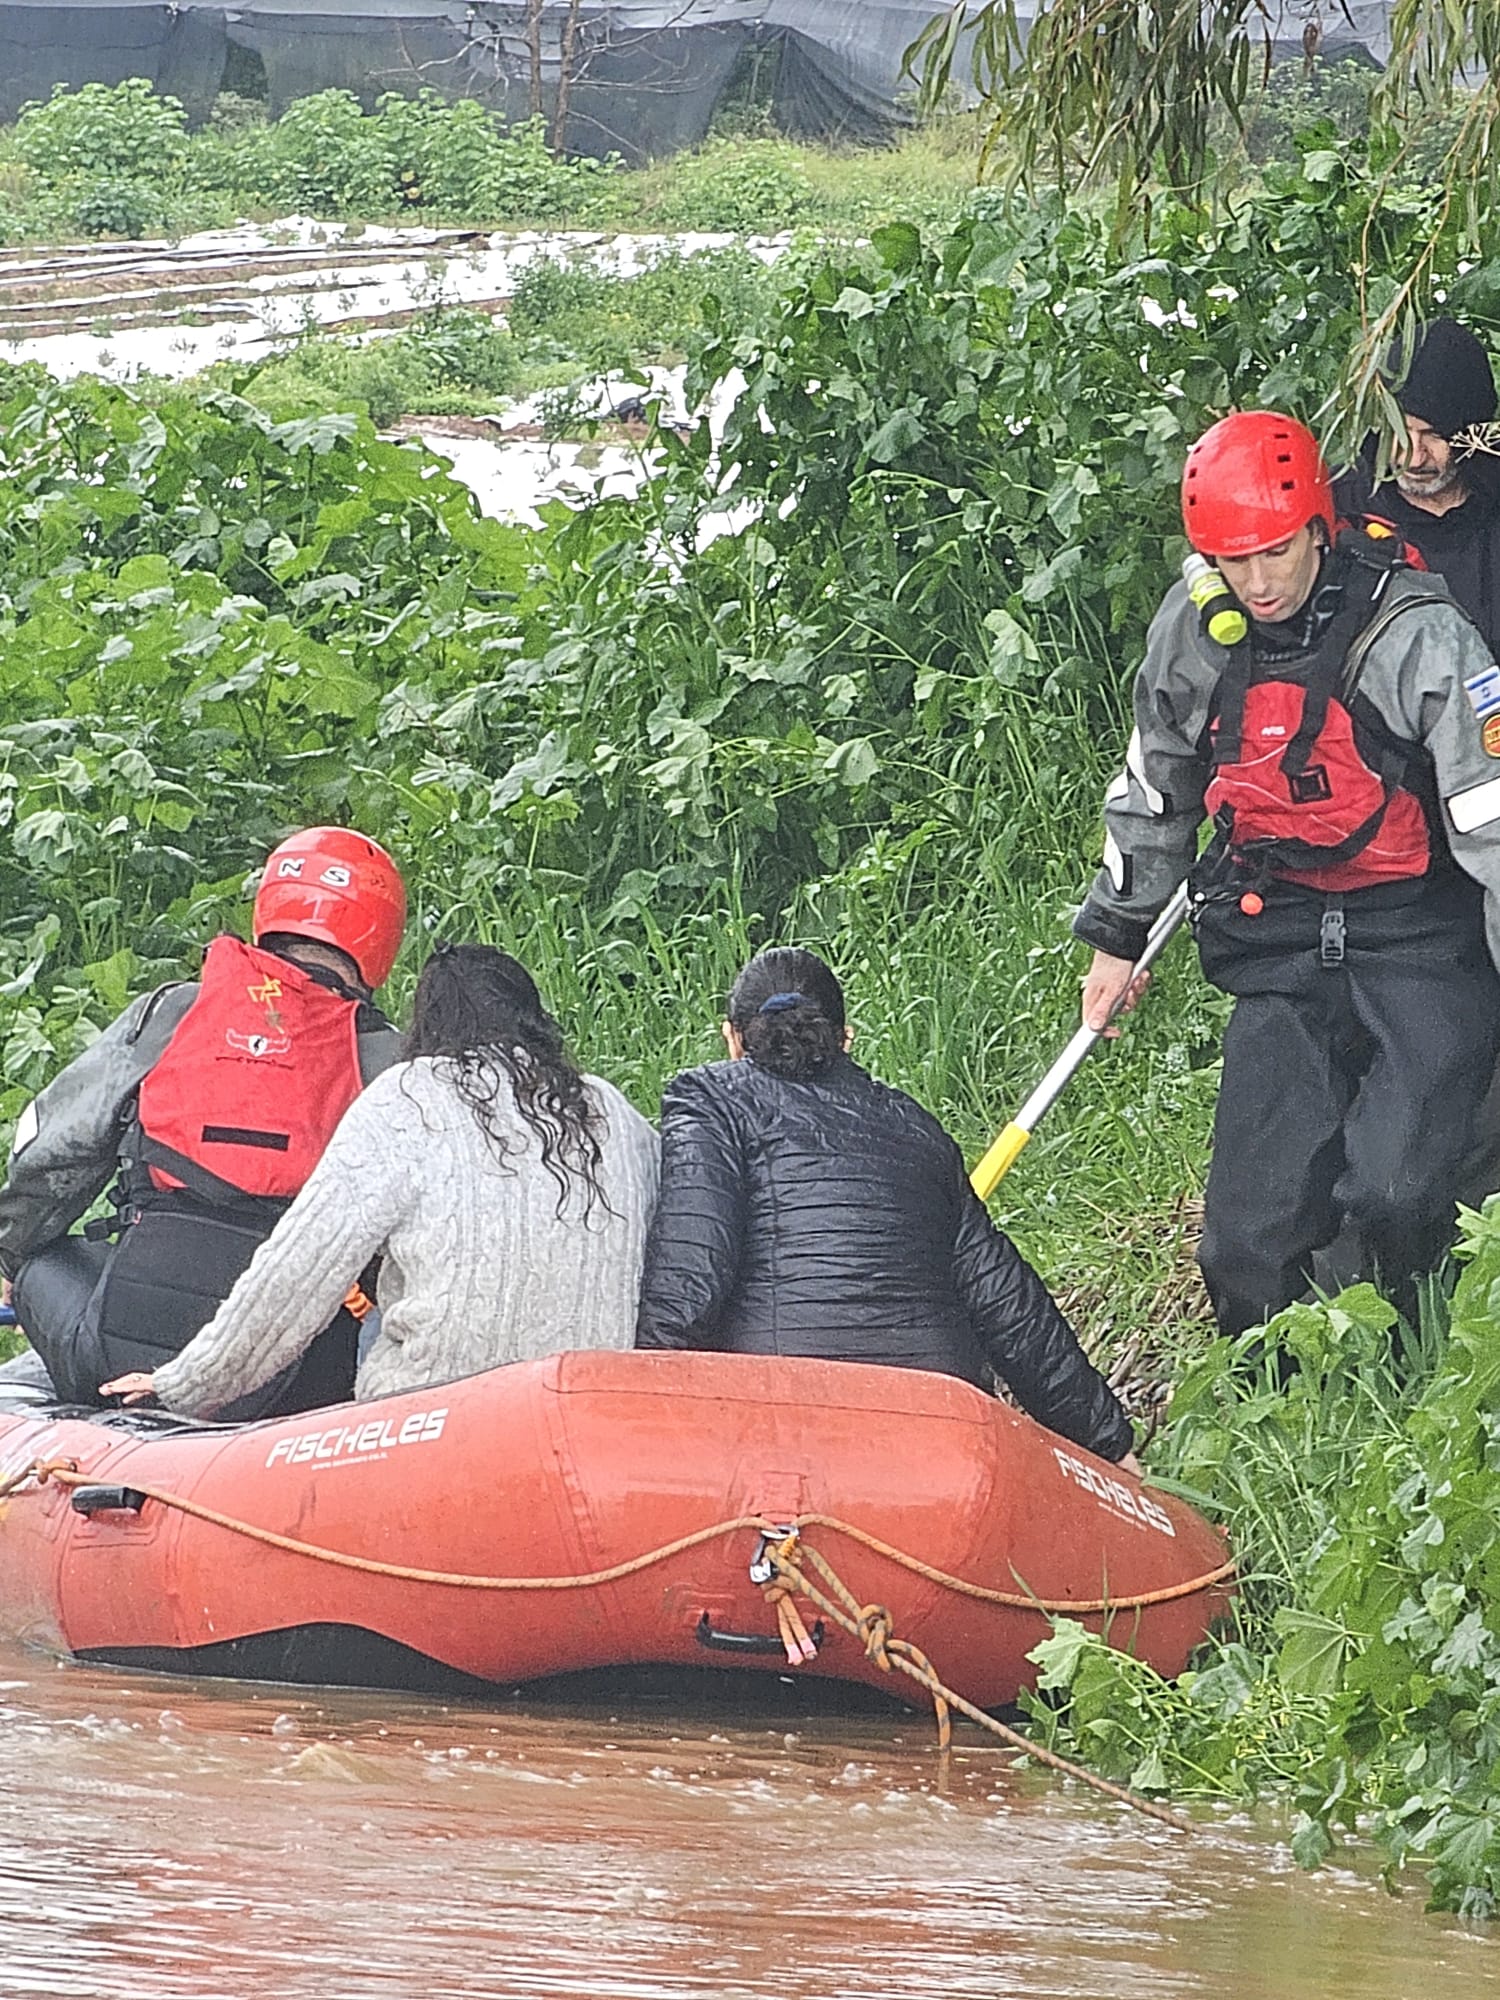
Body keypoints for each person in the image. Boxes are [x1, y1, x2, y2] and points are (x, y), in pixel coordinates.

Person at [1076, 410, 1500, 1338]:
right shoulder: (1195, 635)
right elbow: (1159, 785)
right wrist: (1116, 936)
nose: (1258, 583)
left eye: (1274, 552)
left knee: (1394, 1193)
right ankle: (1274, 1392)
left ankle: (1404, 1371)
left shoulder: (1419, 634)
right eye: (1234, 560)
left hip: (1420, 938)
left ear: (1318, 524)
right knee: (1243, 1247)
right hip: (1281, 939)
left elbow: (1492, 820)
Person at [101, 944, 661, 1418]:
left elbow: (298, 1272)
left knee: (365, 1319)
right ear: (535, 1019)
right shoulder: (616, 1113)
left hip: (429, 1422)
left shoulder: (408, 1097)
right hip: (584, 1417)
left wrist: (184, 1383)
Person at [634, 946, 1137, 1470]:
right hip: (942, 1435)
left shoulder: (709, 1098)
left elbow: (692, 1276)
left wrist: (636, 1411)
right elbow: (1007, 1303)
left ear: (732, 1040)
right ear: (846, 1038)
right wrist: (1109, 1445)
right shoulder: (917, 1127)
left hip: (786, 1429)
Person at [0, 827, 406, 1414]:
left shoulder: (172, 1012)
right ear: (380, 938)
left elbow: (55, 1155)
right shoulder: (393, 1063)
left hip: (119, 1355)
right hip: (290, 1382)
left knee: (41, 1258)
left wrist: (12, 1255)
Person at [1334, 318, 1500, 656]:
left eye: (1434, 434)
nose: (1413, 455)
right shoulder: (1341, 506)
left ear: (1472, 433)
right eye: (1400, 429)